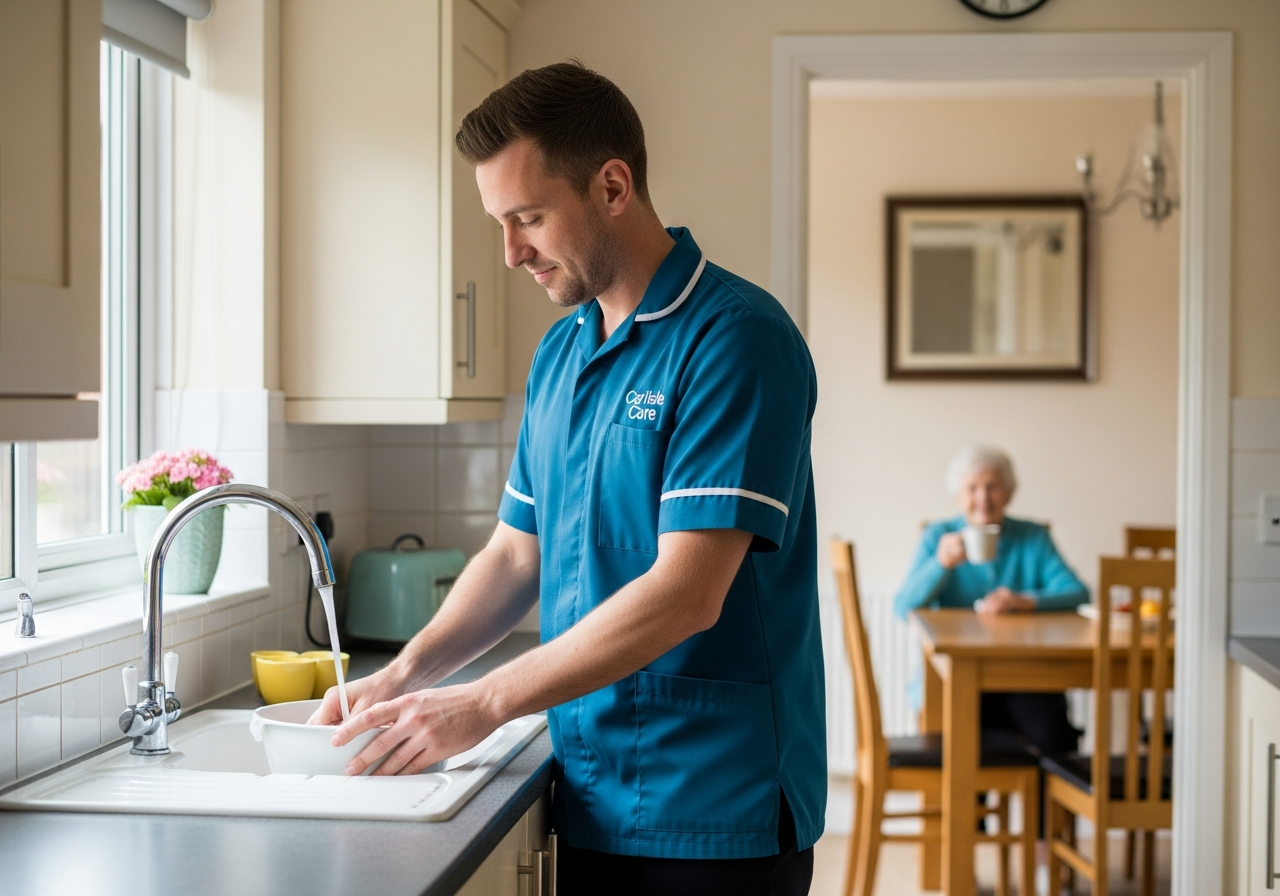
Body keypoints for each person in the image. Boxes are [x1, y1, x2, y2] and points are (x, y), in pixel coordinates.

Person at [310, 62, 825, 895]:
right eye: (500, 223)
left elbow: (689, 592)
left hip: (711, 810)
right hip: (587, 787)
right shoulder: (562, 352)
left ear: (613, 186)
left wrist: (482, 703)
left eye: (530, 218)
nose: (511, 253)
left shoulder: (737, 339)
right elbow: (516, 557)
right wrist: (401, 678)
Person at [894, 446, 1087, 755]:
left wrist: (1024, 600)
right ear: (958, 495)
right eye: (972, 488)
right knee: (963, 741)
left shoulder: (1033, 537)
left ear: (1009, 494)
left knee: (1054, 734)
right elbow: (903, 607)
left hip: (1024, 675)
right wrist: (940, 564)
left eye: (992, 487)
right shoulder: (938, 536)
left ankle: (1046, 802)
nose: (983, 498)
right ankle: (972, 803)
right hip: (956, 678)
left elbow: (1078, 593)